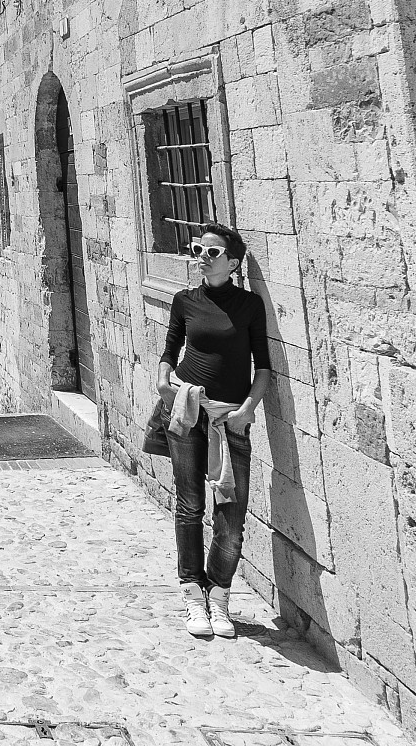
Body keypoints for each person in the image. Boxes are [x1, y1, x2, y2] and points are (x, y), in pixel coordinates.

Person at [159, 223, 272, 639]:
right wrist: (163, 380)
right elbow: (170, 348)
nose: (202, 259)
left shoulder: (249, 305)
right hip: (187, 409)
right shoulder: (184, 300)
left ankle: (219, 593)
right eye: (197, 250)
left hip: (231, 419)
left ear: (233, 262)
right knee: (189, 505)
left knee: (232, 517)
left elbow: (263, 366)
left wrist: (246, 410)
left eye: (212, 252)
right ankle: (192, 591)